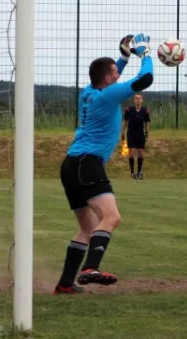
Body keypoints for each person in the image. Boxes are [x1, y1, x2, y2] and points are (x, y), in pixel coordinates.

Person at [54, 33, 154, 294]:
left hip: (70, 166)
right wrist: (144, 53)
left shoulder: (88, 92)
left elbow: (110, 76)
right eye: (115, 73)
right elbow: (146, 79)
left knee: (86, 228)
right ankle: (90, 269)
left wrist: (122, 58)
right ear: (108, 79)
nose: (118, 77)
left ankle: (65, 284)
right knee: (111, 217)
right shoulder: (108, 96)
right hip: (88, 164)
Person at [121, 94, 150, 180]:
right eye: (136, 98)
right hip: (131, 133)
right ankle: (132, 173)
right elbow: (125, 121)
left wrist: (147, 133)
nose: (138, 100)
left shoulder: (145, 111)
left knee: (141, 152)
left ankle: (139, 172)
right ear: (134, 100)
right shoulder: (129, 110)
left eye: (139, 99)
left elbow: (147, 122)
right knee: (131, 151)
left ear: (142, 100)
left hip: (140, 133)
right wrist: (122, 132)